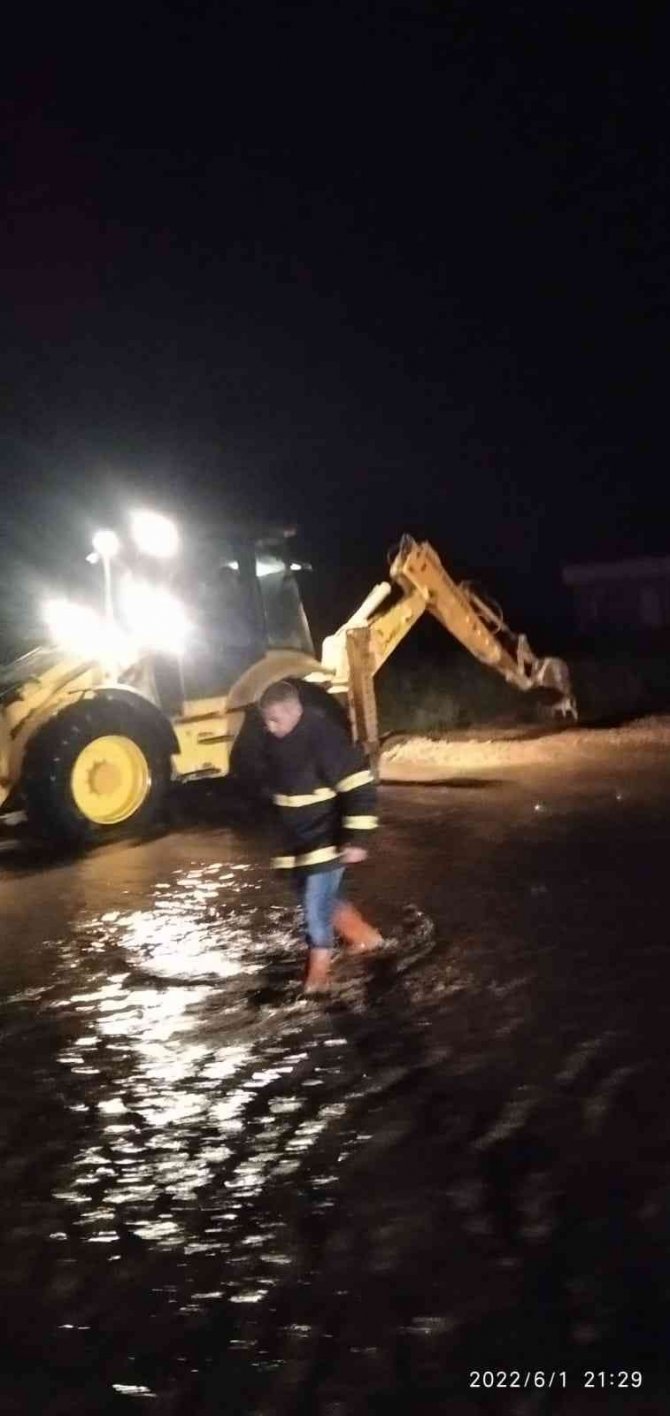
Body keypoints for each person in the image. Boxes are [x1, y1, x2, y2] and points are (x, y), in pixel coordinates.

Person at [257, 680, 382, 993]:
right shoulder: (277, 741)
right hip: (301, 843)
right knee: (327, 900)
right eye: (266, 721)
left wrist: (357, 839)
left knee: (315, 907)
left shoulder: (324, 739)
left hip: (328, 841)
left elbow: (359, 787)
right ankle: (368, 940)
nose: (269, 728)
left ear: (293, 711)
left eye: (275, 720)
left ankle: (318, 980)